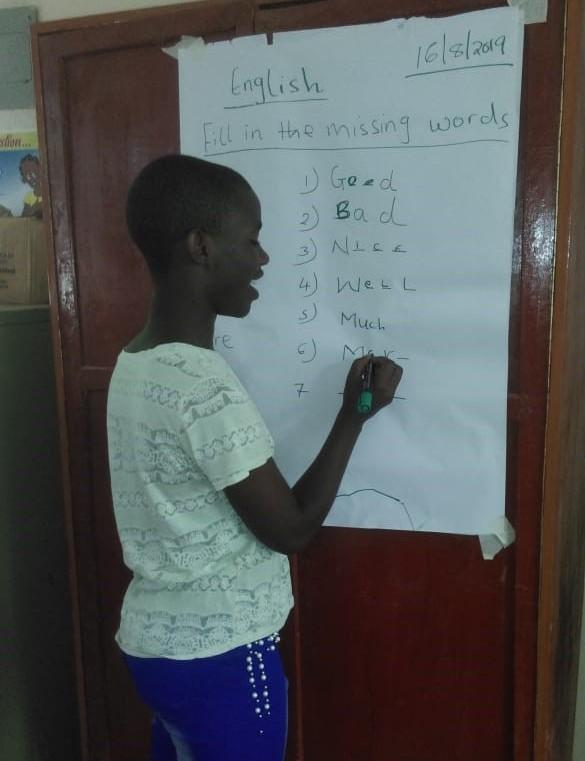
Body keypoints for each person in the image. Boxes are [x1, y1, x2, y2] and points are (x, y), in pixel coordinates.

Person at [107, 154, 403, 761]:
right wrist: (355, 414)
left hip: (157, 650)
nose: (263, 259)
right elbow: (290, 529)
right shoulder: (201, 383)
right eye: (253, 239)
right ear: (201, 246)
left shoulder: (134, 362)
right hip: (220, 658)